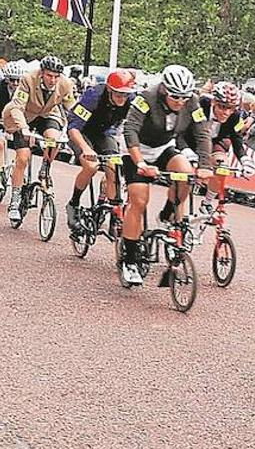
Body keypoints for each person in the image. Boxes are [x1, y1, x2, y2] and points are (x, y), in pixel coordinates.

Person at [118, 65, 213, 286]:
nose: (180, 102)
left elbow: (202, 132)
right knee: (139, 200)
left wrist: (205, 165)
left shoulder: (192, 102)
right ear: (164, 90)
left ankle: (168, 213)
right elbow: (130, 129)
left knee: (185, 174)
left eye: (184, 98)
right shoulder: (146, 98)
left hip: (163, 147)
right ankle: (129, 259)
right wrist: (140, 162)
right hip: (137, 150)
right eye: (175, 97)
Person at [2, 55, 76, 224]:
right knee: (23, 157)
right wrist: (24, 129)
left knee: (54, 139)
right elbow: (17, 105)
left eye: (56, 76)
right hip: (24, 115)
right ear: (42, 73)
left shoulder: (65, 84)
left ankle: (45, 168)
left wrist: (77, 128)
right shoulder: (28, 79)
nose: (53, 80)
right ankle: (15, 200)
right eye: (49, 75)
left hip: (48, 115)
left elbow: (72, 107)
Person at [64, 69, 138, 232]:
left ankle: (114, 213)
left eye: (125, 95)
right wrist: (85, 148)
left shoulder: (131, 100)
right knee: (91, 166)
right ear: (110, 90)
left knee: (114, 167)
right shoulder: (94, 96)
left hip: (104, 133)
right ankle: (73, 204)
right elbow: (74, 127)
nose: (122, 98)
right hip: (81, 132)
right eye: (118, 94)